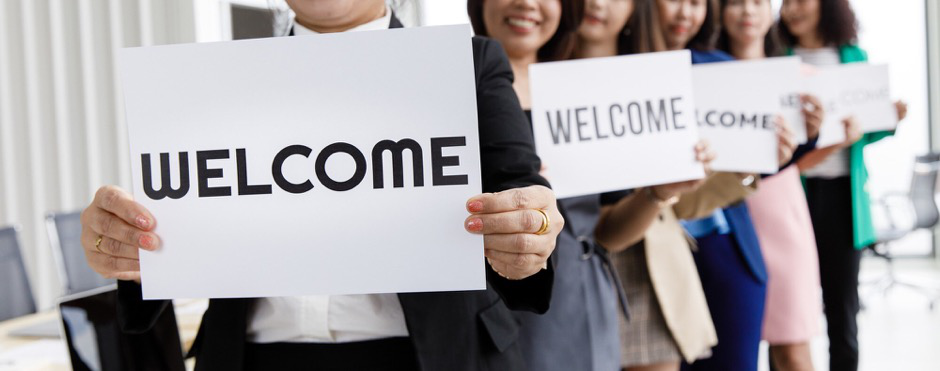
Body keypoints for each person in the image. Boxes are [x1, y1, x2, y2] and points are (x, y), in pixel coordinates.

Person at [79, 1, 565, 370]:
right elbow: (177, 221)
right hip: (252, 357)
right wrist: (126, 248)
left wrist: (532, 225)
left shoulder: (469, 63)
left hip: (432, 354)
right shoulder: (209, 80)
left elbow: (521, 190)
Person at [471, 1, 715, 370]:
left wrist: (659, 191)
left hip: (581, 302)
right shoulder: (446, 93)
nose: (526, 4)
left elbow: (606, 233)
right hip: (488, 309)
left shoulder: (583, 91)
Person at [575, 1, 723, 370]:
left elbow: (683, 200)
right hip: (561, 269)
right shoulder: (525, 77)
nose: (596, 3)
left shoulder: (660, 79)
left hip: (647, 261)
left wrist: (749, 167)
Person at [652, 0, 797, 370]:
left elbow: (757, 165)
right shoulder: (616, 70)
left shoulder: (722, 69)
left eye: (697, 3)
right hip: (650, 253)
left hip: (727, 246)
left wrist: (787, 146)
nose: (686, 13)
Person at [778, 1, 908, 370]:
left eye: (801, 1)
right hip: (794, 197)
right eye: (785, 3)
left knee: (842, 310)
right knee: (790, 317)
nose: (791, 10)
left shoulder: (853, 56)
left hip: (843, 197)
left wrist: (889, 119)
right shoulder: (778, 58)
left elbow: (864, 131)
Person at [715, 1, 825, 370]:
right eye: (735, 3)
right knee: (732, 345)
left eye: (758, 2)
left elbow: (807, 156)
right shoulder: (702, 72)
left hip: (781, 211)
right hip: (723, 212)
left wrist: (822, 137)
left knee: (793, 344)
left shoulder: (797, 77)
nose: (748, 11)